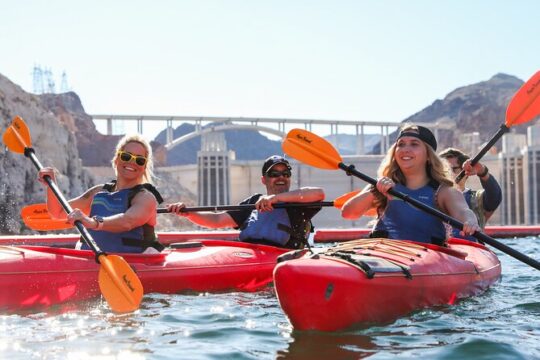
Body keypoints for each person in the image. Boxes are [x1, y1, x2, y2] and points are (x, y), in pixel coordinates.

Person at [341, 124, 480, 246]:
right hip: (383, 253)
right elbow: (348, 213)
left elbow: (463, 211)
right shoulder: (382, 184)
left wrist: (470, 221)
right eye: (401, 144)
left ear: (428, 155)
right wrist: (375, 191)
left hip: (426, 259)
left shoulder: (443, 190)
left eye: (414, 144)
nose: (405, 149)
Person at [38, 134, 164, 253]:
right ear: (116, 159)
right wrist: (51, 185)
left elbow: (127, 221)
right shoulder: (98, 192)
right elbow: (58, 212)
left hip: (130, 267)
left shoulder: (145, 198)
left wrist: (93, 222)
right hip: (92, 262)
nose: (132, 162)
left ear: (144, 166)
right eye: (126, 156)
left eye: (140, 160)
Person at [167, 155, 325, 249]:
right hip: (249, 255)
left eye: (285, 173)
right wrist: (189, 213)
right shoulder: (254, 202)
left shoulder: (298, 202)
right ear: (264, 180)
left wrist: (276, 199)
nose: (281, 177)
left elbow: (319, 193)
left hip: (283, 257)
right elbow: (217, 220)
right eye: (274, 174)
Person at [439, 147, 502, 238]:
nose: (448, 174)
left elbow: (494, 196)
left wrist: (482, 171)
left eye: (453, 169)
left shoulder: (476, 199)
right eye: (443, 170)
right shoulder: (429, 195)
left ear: (466, 172)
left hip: (469, 249)